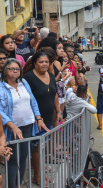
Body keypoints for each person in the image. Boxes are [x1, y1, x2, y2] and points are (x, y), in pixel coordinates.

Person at [0, 58, 49, 187]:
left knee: (24, 156)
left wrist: (38, 118)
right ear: (5, 71)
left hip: (28, 124)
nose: (15, 71)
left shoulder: (23, 82)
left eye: (17, 69)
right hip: (12, 128)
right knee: (13, 159)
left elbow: (33, 100)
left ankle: (18, 184)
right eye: (11, 69)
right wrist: (12, 126)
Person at [23, 51, 61, 184]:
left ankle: (40, 172)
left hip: (49, 117)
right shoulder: (28, 78)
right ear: (34, 63)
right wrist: (36, 118)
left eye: (46, 62)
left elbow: (55, 94)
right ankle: (37, 176)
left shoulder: (51, 75)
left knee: (42, 147)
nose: (44, 64)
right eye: (41, 62)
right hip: (36, 120)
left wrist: (59, 112)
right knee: (37, 148)